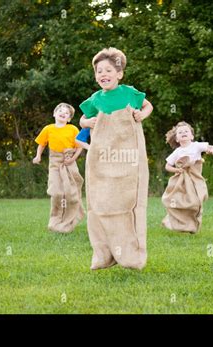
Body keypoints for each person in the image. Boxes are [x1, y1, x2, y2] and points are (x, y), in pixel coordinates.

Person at [79, 47, 153, 270]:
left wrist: (142, 114)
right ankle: (103, 253)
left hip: (127, 158)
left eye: (108, 70)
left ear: (119, 73)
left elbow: (148, 105)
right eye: (99, 71)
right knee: (101, 201)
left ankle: (131, 255)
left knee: (127, 202)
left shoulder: (129, 93)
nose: (103, 74)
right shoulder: (95, 99)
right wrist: (86, 123)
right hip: (102, 159)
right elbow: (83, 118)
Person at [32, 103, 84, 233]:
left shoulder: (72, 129)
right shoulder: (48, 129)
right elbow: (41, 144)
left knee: (70, 192)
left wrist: (73, 158)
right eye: (60, 110)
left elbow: (79, 146)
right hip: (55, 163)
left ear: (69, 118)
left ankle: (70, 220)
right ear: (54, 113)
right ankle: (55, 221)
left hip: (69, 162)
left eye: (66, 113)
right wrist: (38, 156)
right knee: (56, 192)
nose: (62, 113)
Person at [162, 121, 213, 233]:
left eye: (186, 131)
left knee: (196, 201)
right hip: (181, 181)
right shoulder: (177, 152)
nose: (183, 133)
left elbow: (212, 147)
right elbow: (167, 166)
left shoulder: (196, 145)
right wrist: (176, 170)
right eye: (180, 132)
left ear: (191, 136)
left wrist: (211, 150)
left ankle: (191, 222)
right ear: (177, 138)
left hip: (195, 179)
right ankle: (175, 221)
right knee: (179, 201)